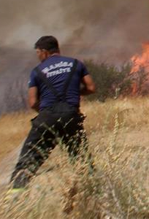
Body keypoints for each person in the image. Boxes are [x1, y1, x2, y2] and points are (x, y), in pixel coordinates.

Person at [9, 36, 96, 191]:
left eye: (38, 53)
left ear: (45, 52)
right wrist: (74, 93)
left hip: (47, 117)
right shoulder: (76, 64)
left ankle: (13, 200)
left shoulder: (37, 71)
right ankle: (96, 195)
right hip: (71, 115)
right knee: (82, 161)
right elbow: (91, 88)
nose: (38, 56)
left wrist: (46, 111)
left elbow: (32, 102)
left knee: (27, 163)